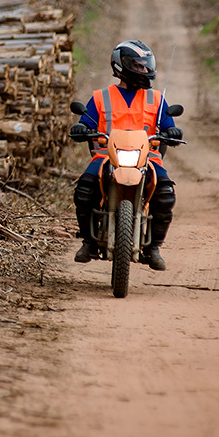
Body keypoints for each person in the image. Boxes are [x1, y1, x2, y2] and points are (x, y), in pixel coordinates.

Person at [72, 40, 182, 270]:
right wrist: (81, 128)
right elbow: (87, 121)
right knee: (84, 189)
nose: (145, 70)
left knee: (165, 193)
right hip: (106, 155)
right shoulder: (101, 97)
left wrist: (172, 130)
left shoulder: (157, 99)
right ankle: (89, 242)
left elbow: (167, 123)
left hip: (147, 158)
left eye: (146, 66)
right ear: (122, 65)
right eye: (139, 66)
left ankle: (153, 248)